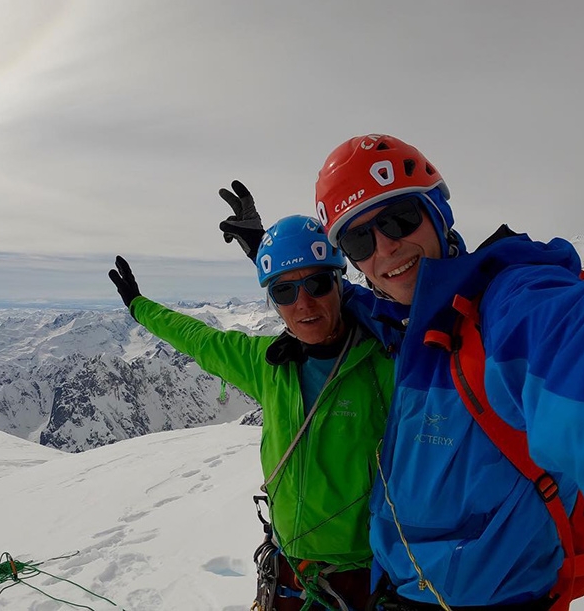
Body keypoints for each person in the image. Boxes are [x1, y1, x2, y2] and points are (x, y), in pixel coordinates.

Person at [221, 134, 584, 611]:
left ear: (438, 212)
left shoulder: (504, 307)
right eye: (358, 241)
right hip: (396, 591)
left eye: (399, 219)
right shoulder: (400, 321)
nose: (385, 248)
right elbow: (323, 303)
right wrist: (270, 255)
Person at [108, 213, 395, 611]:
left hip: (364, 583)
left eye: (317, 284)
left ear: (340, 284)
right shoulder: (268, 364)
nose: (304, 303)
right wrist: (139, 307)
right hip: (287, 574)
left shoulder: (386, 365)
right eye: (283, 292)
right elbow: (198, 340)